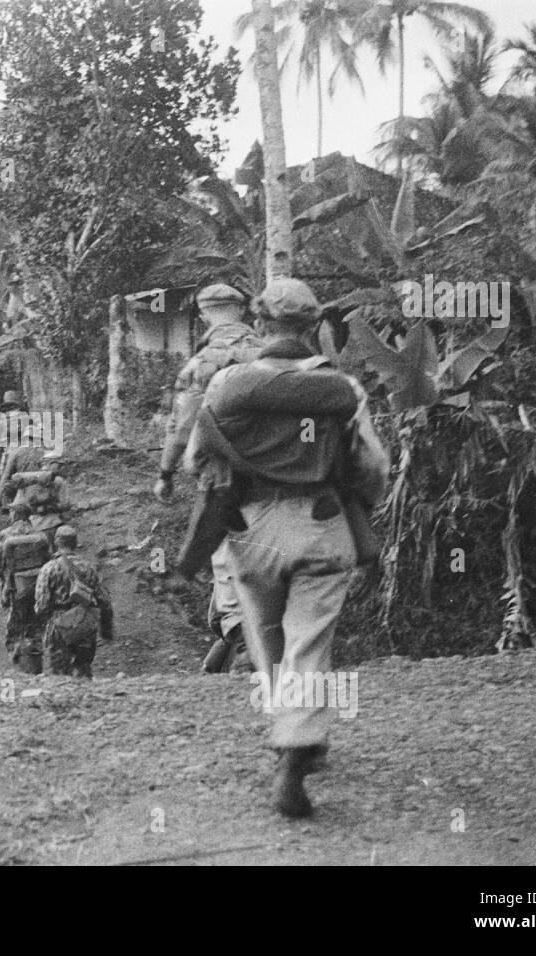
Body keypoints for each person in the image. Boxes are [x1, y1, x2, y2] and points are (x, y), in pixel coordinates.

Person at [195, 278, 389, 818]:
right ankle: (298, 743)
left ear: (259, 324)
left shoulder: (227, 384)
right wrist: (361, 505)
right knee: (311, 640)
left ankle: (289, 729)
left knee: (264, 633)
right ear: (315, 327)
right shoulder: (342, 388)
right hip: (321, 523)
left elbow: (198, 460)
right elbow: (374, 466)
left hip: (251, 528)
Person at [155, 282, 262, 675]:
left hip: (225, 478)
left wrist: (165, 473)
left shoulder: (202, 364)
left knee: (229, 556)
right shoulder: (273, 355)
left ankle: (242, 647)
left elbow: (182, 426)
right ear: (242, 313)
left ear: (203, 315)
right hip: (284, 477)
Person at [34, 525, 114, 678]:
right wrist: (106, 630)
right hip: (84, 623)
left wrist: (45, 625)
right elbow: (104, 600)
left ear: (56, 543)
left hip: (59, 625)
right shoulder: (89, 567)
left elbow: (41, 605)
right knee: (83, 672)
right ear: (76, 543)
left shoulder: (48, 568)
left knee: (59, 677)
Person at [0, 501, 51, 674]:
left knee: (15, 628)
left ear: (15, 514)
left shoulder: (5, 535)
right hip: (38, 588)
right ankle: (36, 665)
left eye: (10, 511)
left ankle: (18, 666)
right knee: (35, 626)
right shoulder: (40, 534)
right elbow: (49, 562)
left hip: (15, 588)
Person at [0, 390, 29, 470]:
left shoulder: (22, 413)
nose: (11, 409)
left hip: (19, 439)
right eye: (8, 406)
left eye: (13, 406)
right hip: (7, 439)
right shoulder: (1, 414)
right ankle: (3, 468)